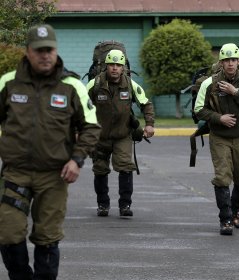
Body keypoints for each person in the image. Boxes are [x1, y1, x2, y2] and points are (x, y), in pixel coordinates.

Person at [0, 24, 101, 279]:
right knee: (8, 232)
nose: (45, 55)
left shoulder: (71, 86)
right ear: (28, 52)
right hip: (15, 173)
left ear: (56, 51)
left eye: (50, 50)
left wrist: (77, 160)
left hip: (54, 176)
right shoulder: (8, 83)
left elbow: (90, 126)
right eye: (39, 50)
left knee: (47, 238)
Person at [194, 43, 239, 235]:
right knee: (222, 178)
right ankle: (225, 219)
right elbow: (198, 109)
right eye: (226, 60)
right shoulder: (210, 83)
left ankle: (237, 209)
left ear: (238, 61)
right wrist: (218, 118)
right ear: (221, 62)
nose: (230, 64)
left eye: (233, 60)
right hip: (220, 137)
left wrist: (236, 93)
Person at [87, 49, 155, 218]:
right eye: (112, 64)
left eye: (118, 65)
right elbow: (80, 106)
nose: (115, 68)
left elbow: (146, 104)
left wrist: (149, 124)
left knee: (125, 166)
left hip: (123, 134)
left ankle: (125, 205)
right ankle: (103, 204)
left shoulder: (131, 85)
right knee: (100, 169)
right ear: (106, 66)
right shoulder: (94, 84)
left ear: (124, 67)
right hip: (100, 135)